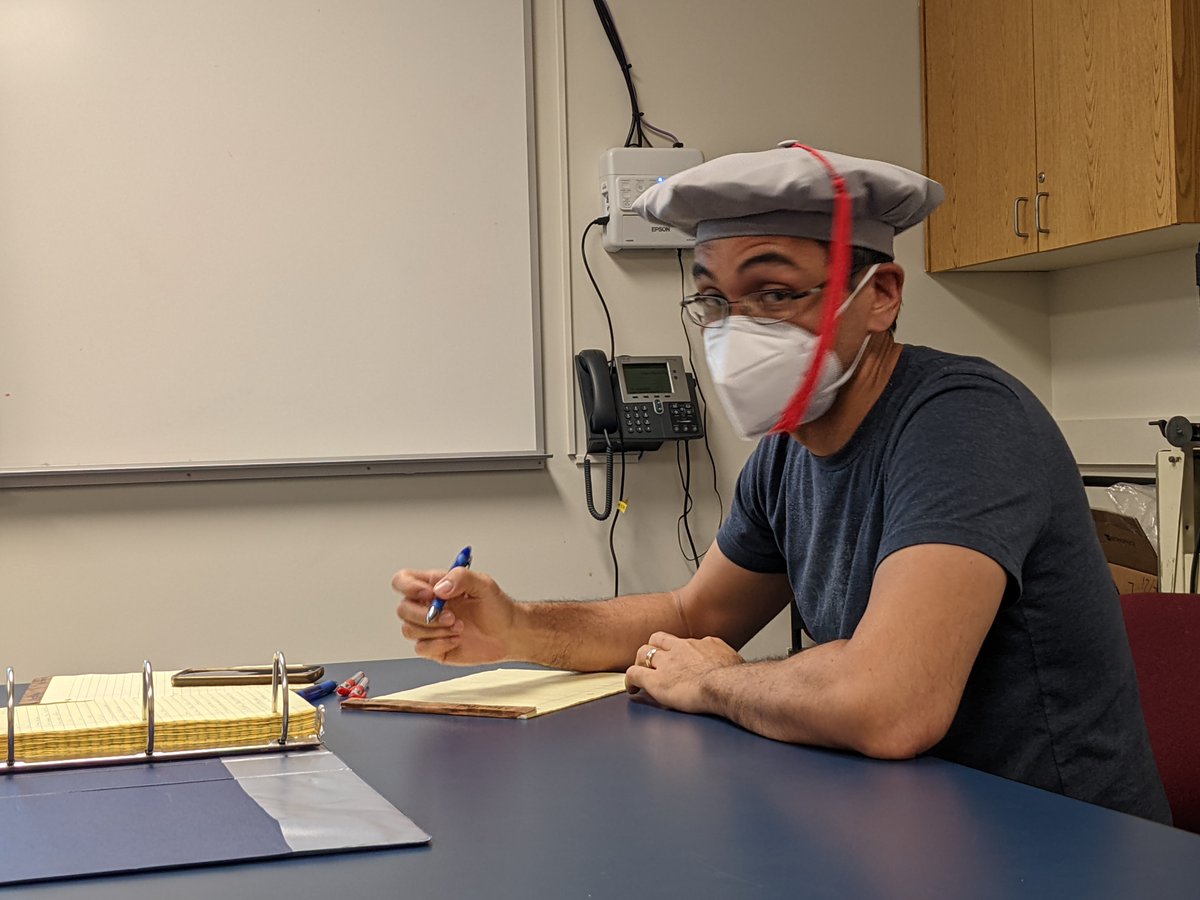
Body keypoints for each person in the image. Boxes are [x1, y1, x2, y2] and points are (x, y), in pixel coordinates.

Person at [392, 143, 1170, 824]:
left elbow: (893, 702)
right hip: (908, 821)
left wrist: (717, 684)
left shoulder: (964, 423)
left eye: (774, 293)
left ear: (883, 296)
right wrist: (518, 625)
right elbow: (693, 613)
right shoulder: (788, 451)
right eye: (715, 301)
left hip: (1057, 844)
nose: (737, 330)